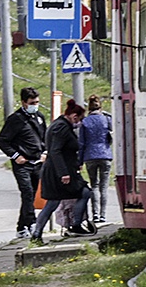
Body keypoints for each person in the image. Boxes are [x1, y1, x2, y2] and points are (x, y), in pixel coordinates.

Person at [31, 99, 95, 244]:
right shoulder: (62, 128)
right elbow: (56, 151)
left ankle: (38, 233)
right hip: (59, 173)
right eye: (79, 118)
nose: (79, 122)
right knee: (60, 200)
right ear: (74, 116)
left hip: (61, 171)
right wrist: (63, 173)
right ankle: (74, 225)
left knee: (56, 201)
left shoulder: (59, 125)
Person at [0, 87, 47, 239]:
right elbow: (3, 141)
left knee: (32, 195)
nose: (35, 105)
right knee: (26, 193)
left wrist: (45, 152)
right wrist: (15, 155)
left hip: (37, 162)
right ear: (24, 103)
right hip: (22, 164)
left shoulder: (39, 117)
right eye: (32, 102)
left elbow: (44, 138)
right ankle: (32, 223)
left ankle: (21, 226)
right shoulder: (16, 119)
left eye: (37, 102)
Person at [79, 94, 113, 223]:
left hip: (90, 156)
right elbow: (112, 130)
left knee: (94, 185)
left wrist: (80, 161)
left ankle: (95, 215)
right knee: (104, 187)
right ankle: (103, 215)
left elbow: (81, 143)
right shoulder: (106, 119)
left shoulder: (85, 122)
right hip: (105, 154)